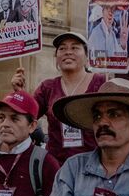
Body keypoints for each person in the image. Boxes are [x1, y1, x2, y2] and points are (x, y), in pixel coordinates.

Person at [30, 33, 107, 165]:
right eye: (62, 48)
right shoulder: (47, 87)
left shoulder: (101, 82)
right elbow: (27, 116)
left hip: (96, 166)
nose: (68, 52)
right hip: (56, 167)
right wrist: (18, 94)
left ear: (87, 56)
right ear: (56, 57)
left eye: (75, 48)